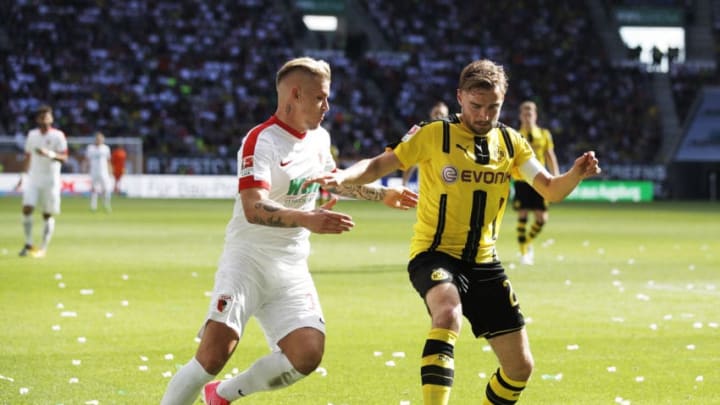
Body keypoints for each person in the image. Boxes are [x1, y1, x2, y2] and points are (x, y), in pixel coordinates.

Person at [305, 59, 601, 405]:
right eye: (476, 106)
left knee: (520, 368)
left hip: (484, 263)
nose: (484, 115)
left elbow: (550, 189)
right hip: (435, 253)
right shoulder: (433, 133)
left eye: (493, 107)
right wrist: (343, 177)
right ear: (460, 98)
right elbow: (378, 164)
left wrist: (576, 173)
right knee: (447, 313)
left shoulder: (512, 142)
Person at [160, 57, 417, 405]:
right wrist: (306, 218)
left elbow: (332, 182)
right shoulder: (260, 141)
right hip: (247, 261)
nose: (327, 106)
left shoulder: (319, 138)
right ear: (294, 95)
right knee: (212, 357)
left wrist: (380, 194)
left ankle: (220, 395)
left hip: (290, 266)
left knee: (307, 354)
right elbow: (253, 207)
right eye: (320, 98)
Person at [16, 105, 68, 258]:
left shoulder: (58, 136)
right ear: (38, 119)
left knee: (47, 214)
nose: (45, 119)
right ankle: (28, 243)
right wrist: (22, 176)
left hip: (51, 180)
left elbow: (65, 157)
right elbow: (28, 156)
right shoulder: (32, 135)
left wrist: (50, 154)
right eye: (42, 116)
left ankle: (43, 248)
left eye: (48, 116)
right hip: (34, 178)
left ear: (51, 119)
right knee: (26, 208)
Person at [512, 101, 559, 265]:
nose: (527, 117)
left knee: (542, 219)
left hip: (540, 178)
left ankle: (527, 241)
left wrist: (556, 176)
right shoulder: (515, 135)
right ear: (520, 116)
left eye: (530, 113)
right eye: (524, 114)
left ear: (535, 115)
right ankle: (523, 251)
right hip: (521, 179)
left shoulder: (544, 134)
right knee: (522, 214)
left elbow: (550, 155)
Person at [402, 101, 449, 188]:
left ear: (447, 116)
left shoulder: (452, 133)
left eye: (442, 114)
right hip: (425, 186)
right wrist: (404, 184)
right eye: (436, 113)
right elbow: (403, 143)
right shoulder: (417, 129)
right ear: (431, 113)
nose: (439, 116)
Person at [85, 132, 113, 212]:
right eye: (98, 138)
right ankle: (93, 206)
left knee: (106, 189)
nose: (99, 140)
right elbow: (87, 160)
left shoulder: (106, 148)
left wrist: (110, 170)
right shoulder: (90, 148)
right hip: (93, 172)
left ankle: (106, 204)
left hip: (104, 172)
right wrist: (85, 168)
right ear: (95, 139)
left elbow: (108, 161)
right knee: (94, 189)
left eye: (101, 138)